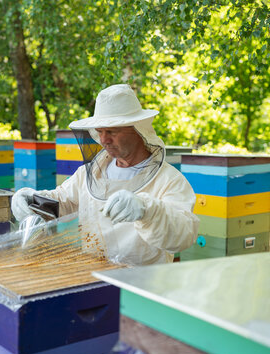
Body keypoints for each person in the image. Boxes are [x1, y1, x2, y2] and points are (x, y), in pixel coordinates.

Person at [12, 84, 199, 265]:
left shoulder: (169, 180)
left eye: (112, 131)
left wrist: (148, 210)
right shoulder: (90, 173)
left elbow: (183, 235)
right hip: (93, 276)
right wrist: (31, 201)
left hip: (143, 282)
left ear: (137, 130)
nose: (103, 140)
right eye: (99, 131)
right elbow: (61, 202)